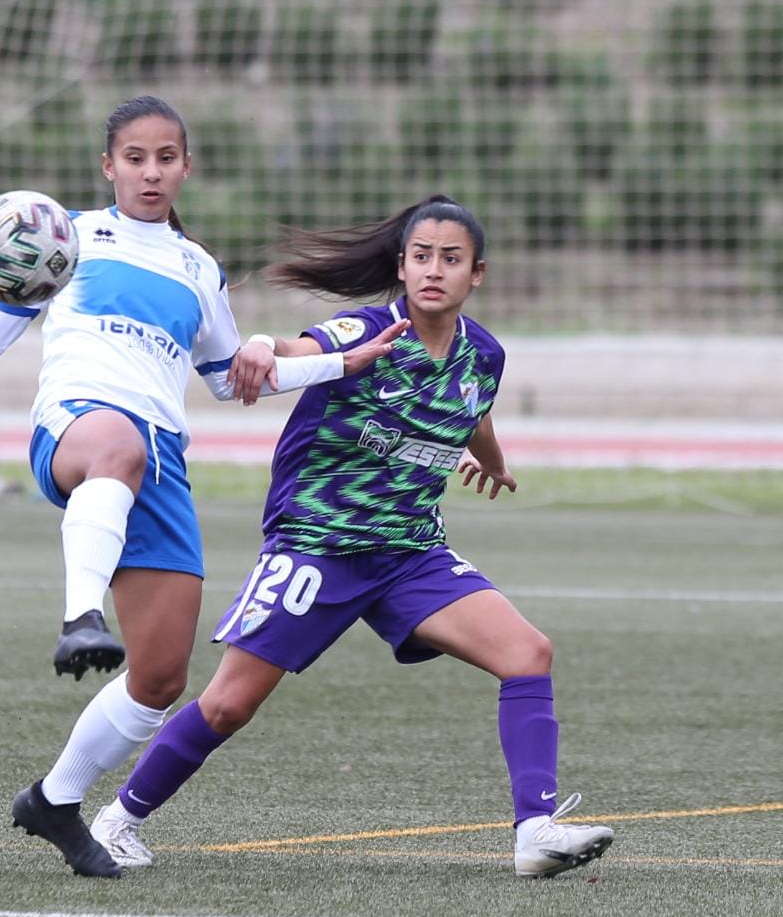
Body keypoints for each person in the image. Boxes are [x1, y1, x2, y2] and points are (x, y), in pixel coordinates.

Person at [89, 195, 616, 879]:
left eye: (450, 259)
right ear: (401, 264)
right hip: (317, 543)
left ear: (476, 273)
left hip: (408, 552)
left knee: (528, 652)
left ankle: (535, 830)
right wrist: (256, 344)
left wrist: (490, 456)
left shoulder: (484, 353)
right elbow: (294, 348)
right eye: (421, 256)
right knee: (230, 702)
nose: (433, 270)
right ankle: (118, 818)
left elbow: (473, 408)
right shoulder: (364, 330)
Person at [0, 95, 406, 877]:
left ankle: (54, 800)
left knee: (160, 677)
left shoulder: (198, 268)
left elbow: (232, 379)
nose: (150, 171)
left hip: (156, 461)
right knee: (117, 445)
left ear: (185, 166)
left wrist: (340, 363)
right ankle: (78, 615)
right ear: (108, 166)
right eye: (135, 157)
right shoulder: (70, 235)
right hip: (80, 428)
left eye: (166, 157)